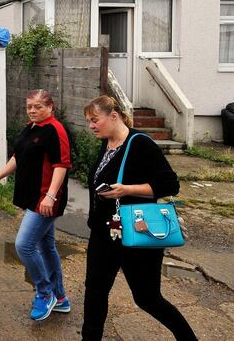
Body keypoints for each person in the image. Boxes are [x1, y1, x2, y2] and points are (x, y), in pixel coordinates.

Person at [81, 95, 197, 340]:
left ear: (114, 116)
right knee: (95, 292)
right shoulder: (108, 143)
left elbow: (170, 185)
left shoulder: (141, 144)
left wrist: (127, 189)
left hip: (137, 233)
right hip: (103, 234)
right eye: (89, 121)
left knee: (147, 298)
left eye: (94, 120)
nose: (91, 126)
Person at [0, 89, 72, 321]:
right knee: (46, 246)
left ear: (50, 107)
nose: (33, 111)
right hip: (32, 196)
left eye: (38, 107)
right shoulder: (32, 127)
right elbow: (18, 156)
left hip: (44, 200)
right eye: (29, 107)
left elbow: (61, 165)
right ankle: (60, 298)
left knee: (24, 245)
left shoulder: (55, 130)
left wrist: (51, 196)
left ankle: (44, 293)